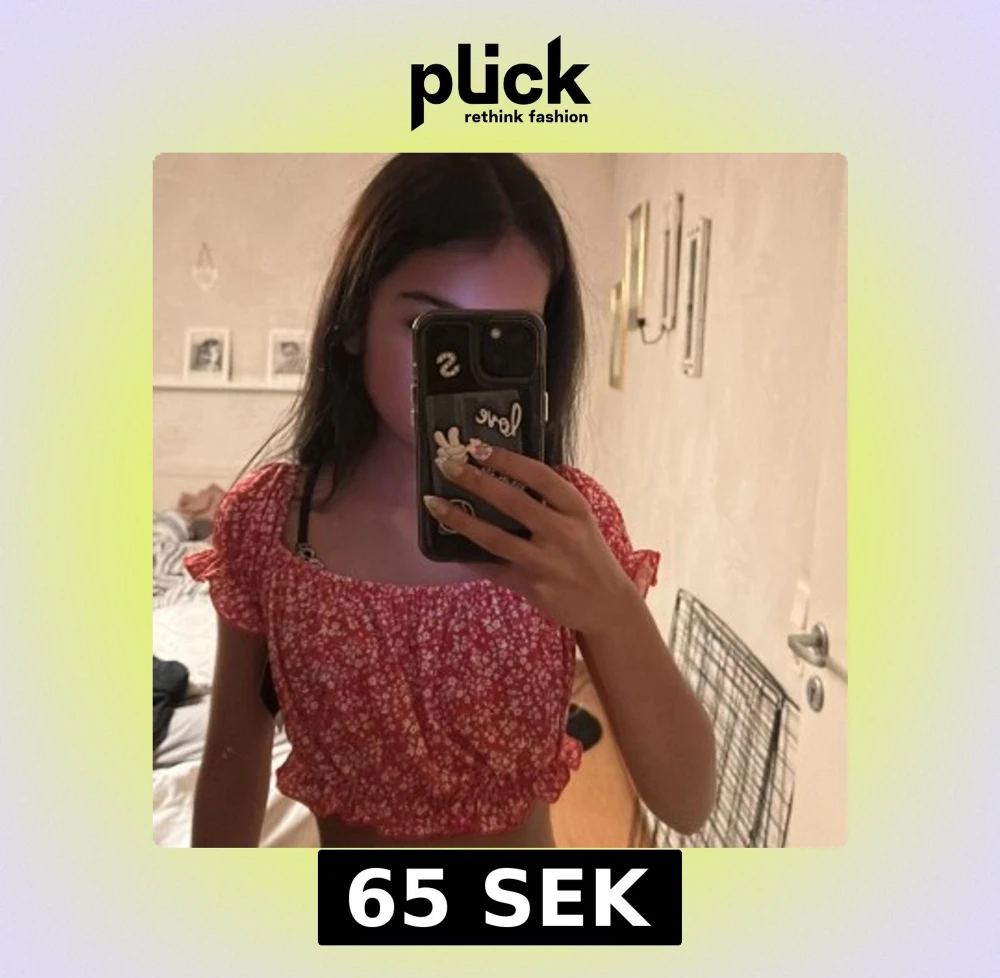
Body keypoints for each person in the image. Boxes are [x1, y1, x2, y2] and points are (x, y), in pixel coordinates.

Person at [184, 153, 716, 848]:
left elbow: (687, 802)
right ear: (353, 319)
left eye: (504, 338)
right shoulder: (270, 524)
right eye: (430, 330)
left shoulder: (563, 524)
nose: (460, 377)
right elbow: (232, 760)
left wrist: (613, 611)